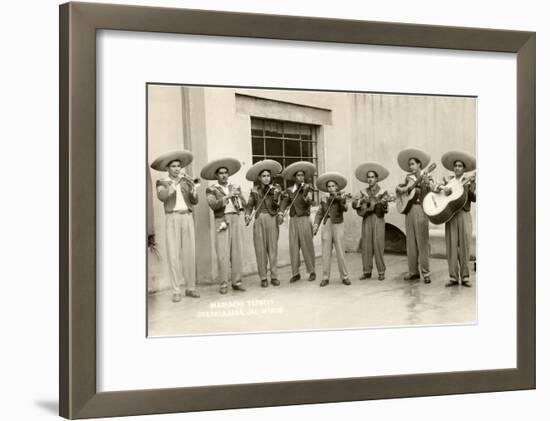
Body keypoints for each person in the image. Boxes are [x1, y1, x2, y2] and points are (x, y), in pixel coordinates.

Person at [150, 150, 200, 302]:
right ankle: (176, 290)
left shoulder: (186, 181)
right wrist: (174, 184)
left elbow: (194, 201)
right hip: (172, 217)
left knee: (190, 254)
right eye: (173, 166)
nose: (177, 169)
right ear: (168, 168)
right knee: (173, 255)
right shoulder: (162, 182)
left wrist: (194, 189)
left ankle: (190, 288)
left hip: (187, 216)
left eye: (179, 166)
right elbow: (162, 196)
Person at [201, 157, 247, 295]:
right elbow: (213, 205)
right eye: (220, 173)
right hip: (221, 220)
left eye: (226, 172)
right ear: (216, 176)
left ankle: (237, 282)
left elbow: (244, 205)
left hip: (235, 217)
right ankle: (223, 284)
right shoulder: (211, 189)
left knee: (237, 252)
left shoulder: (235, 187)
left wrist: (238, 196)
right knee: (222, 254)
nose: (224, 175)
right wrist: (227, 197)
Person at [395, 148, 435, 284]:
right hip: (409, 210)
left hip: (421, 209)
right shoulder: (408, 178)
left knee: (422, 242)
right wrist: (404, 189)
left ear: (419, 164)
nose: (411, 166)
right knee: (410, 242)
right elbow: (400, 191)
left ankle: (426, 272)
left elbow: (432, 191)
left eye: (413, 164)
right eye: (409, 164)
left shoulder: (427, 176)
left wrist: (428, 183)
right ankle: (413, 272)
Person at [438, 151, 477, 287]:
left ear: (464, 169)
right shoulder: (449, 182)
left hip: (464, 214)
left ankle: (465, 277)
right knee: (451, 246)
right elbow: (442, 197)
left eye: (460, 166)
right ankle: (453, 277)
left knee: (465, 246)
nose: (457, 168)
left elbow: (474, 198)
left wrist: (471, 186)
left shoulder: (469, 181)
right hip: (451, 215)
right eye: (455, 166)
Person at [244, 159, 283, 288]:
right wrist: (247, 215)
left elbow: (278, 205)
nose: (266, 178)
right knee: (260, 250)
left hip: (272, 219)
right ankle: (263, 277)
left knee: (273, 248)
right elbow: (249, 206)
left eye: (268, 176)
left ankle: (274, 276)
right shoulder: (255, 191)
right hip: (259, 218)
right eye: (263, 176)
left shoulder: (276, 189)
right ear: (259, 178)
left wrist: (276, 196)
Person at [279, 161, 317, 283]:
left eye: (302, 175)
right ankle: (295, 273)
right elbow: (285, 202)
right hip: (293, 220)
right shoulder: (290, 190)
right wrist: (281, 212)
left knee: (307, 246)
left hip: (304, 219)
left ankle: (312, 271)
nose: (300, 177)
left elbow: (308, 202)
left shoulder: (307, 188)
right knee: (293, 247)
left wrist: (306, 194)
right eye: (298, 175)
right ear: (295, 177)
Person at [353, 162, 391, 281]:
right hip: (366, 219)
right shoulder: (362, 192)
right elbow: (354, 204)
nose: (370, 179)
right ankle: (367, 271)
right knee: (366, 245)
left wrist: (384, 203)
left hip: (378, 219)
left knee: (378, 244)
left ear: (377, 178)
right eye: (368, 177)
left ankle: (381, 271)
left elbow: (386, 209)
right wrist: (361, 203)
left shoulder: (383, 192)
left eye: (372, 177)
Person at [313, 172, 351, 287]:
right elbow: (320, 213)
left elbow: (345, 209)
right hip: (327, 224)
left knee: (340, 251)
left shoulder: (341, 197)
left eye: (333, 186)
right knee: (325, 252)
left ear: (337, 187)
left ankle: (345, 276)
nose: (331, 188)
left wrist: (341, 200)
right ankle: (325, 277)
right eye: (329, 187)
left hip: (338, 224)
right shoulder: (324, 199)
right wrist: (316, 225)